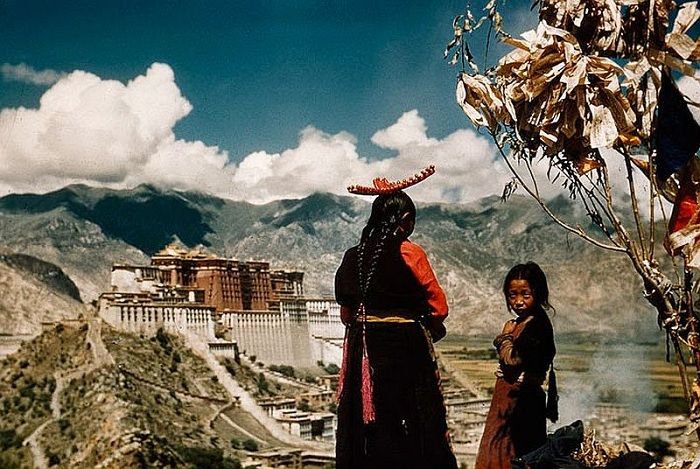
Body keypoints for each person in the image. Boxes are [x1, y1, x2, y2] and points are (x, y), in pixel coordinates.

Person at [334, 167, 457, 469]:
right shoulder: (410, 253)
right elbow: (439, 307)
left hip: (363, 349)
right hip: (404, 349)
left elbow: (346, 313)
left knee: (370, 420)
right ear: (404, 221)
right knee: (412, 417)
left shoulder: (353, 255)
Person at [475, 262, 557, 469]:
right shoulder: (525, 321)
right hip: (510, 398)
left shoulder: (536, 324)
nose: (518, 301)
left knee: (511, 454)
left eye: (525, 295)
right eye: (512, 295)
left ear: (538, 294)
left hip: (520, 402)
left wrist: (504, 337)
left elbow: (513, 360)